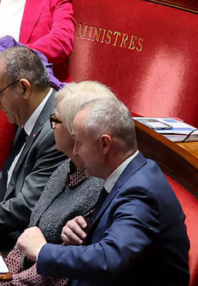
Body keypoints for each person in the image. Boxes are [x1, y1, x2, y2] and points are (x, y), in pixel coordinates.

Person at [16, 98, 191, 286]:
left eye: (79, 143)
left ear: (105, 144)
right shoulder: (127, 174)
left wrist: (41, 251)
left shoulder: (141, 192)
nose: (75, 151)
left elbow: (110, 258)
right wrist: (85, 233)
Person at [0, 81, 113, 286]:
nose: (51, 127)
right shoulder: (64, 169)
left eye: (55, 120)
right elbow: (26, 240)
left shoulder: (99, 189)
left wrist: (1, 284)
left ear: (76, 132)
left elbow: (57, 274)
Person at [0, 46, 65, 251]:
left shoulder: (54, 130)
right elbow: (5, 185)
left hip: (20, 247)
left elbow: (26, 207)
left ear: (24, 88)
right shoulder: (27, 116)